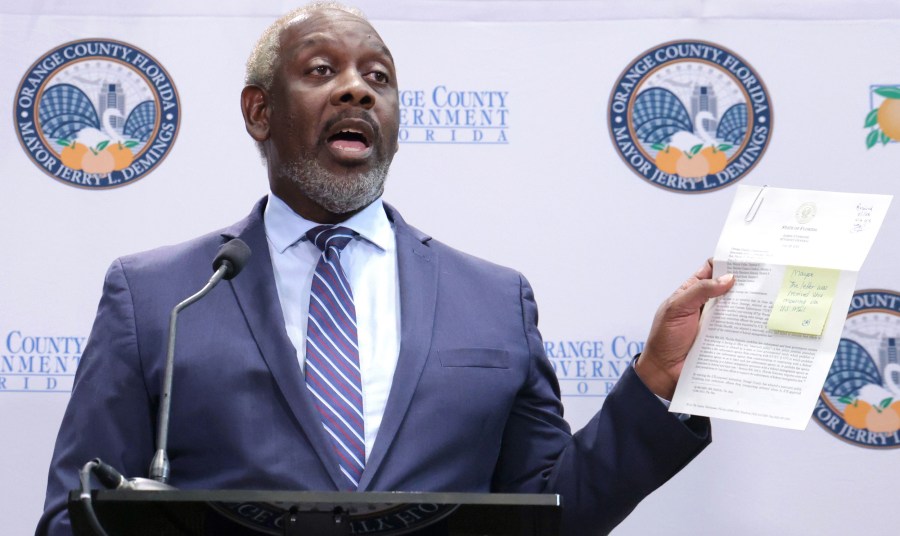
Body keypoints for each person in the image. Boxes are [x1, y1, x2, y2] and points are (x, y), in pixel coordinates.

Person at [36, 3, 735, 535]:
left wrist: (657, 383)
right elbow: (78, 516)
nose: (356, 91)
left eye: (378, 79)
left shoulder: (495, 301)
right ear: (259, 111)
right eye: (320, 72)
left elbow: (555, 513)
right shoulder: (161, 296)